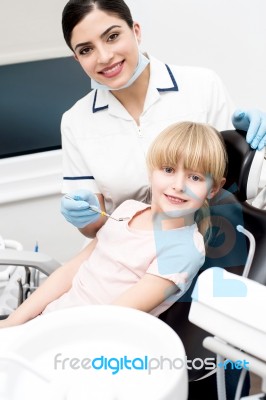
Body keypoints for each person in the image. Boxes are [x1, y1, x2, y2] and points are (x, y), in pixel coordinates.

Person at [60, 0, 266, 239]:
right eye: (86, 50)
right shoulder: (76, 121)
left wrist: (243, 144)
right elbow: (93, 225)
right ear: (77, 58)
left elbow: (232, 184)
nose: (104, 56)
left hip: (207, 243)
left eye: (112, 36)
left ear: (136, 31)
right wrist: (84, 215)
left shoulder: (202, 86)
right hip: (125, 253)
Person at [0, 121, 226, 325]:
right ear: (150, 172)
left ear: (213, 189)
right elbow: (70, 271)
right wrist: (14, 322)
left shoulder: (182, 251)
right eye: (168, 170)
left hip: (86, 340)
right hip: (50, 321)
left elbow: (110, 319)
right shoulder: (128, 210)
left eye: (194, 177)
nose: (178, 185)